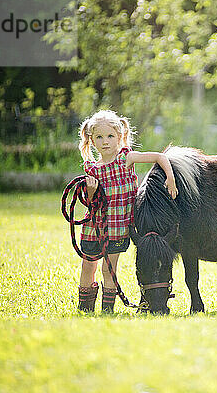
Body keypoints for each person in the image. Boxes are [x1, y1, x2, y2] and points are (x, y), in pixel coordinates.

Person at [77, 110, 178, 313]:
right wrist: (90, 190)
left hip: (119, 228)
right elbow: (91, 202)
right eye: (99, 137)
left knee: (109, 268)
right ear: (92, 141)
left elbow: (159, 157)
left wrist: (170, 177)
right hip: (94, 227)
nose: (105, 142)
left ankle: (107, 309)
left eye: (110, 136)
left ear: (119, 136)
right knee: (88, 265)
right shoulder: (92, 169)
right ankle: (85, 307)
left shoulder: (126, 158)